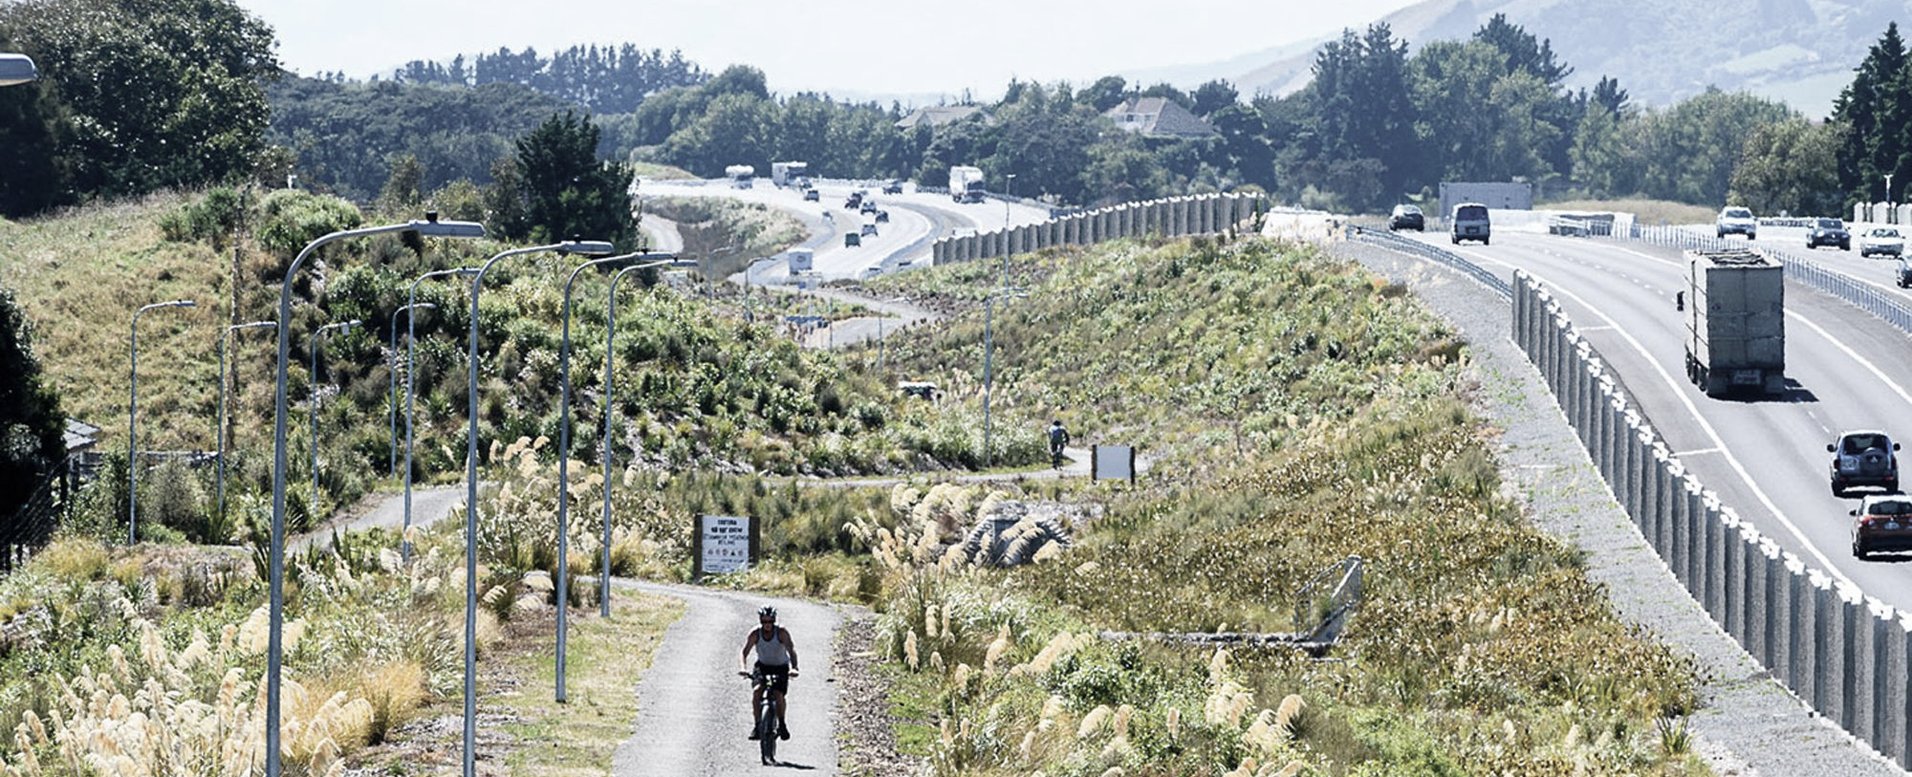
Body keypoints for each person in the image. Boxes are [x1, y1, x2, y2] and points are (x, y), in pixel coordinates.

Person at [740, 605, 799, 741]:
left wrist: (794, 667)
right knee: (757, 691)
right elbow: (744, 652)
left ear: (774, 620)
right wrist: (743, 668)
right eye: (764, 622)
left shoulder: (781, 632)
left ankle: (782, 724)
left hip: (781, 667)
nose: (767, 625)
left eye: (770, 621)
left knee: (778, 694)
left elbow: (791, 650)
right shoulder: (755, 633)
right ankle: (757, 725)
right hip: (762, 666)